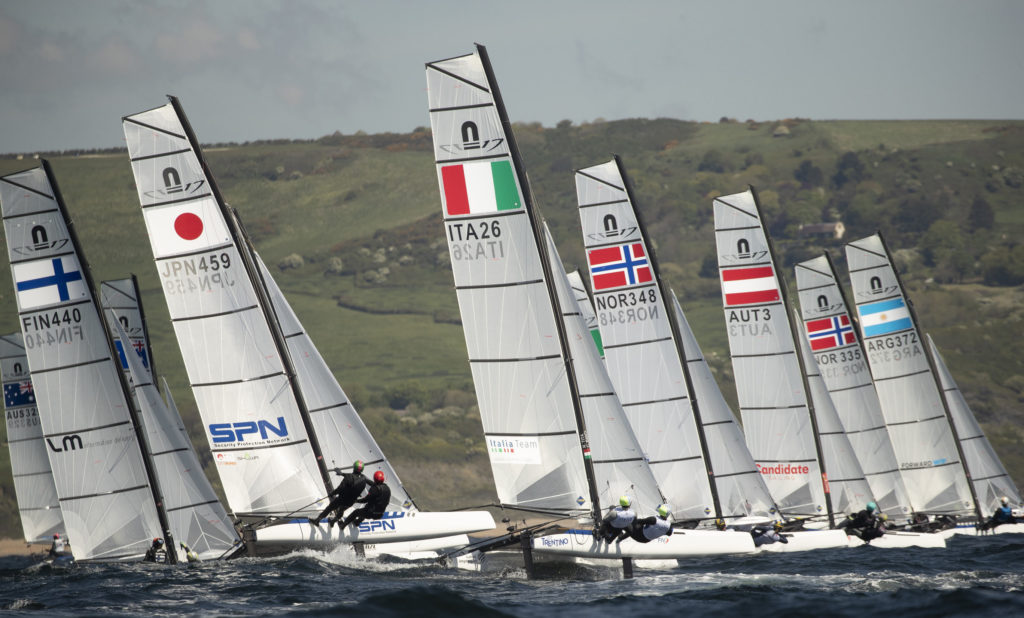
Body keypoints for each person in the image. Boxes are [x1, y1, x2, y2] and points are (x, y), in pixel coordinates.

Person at [309, 460, 369, 528]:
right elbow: (354, 478)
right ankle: (333, 521)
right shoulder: (364, 479)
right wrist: (341, 473)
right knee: (342, 510)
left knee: (329, 508)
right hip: (351, 501)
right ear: (362, 469)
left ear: (354, 467)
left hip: (342, 499)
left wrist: (332, 493)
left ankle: (317, 520)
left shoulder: (348, 477)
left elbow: (340, 488)